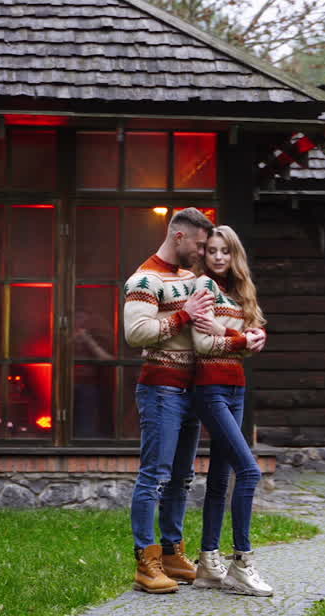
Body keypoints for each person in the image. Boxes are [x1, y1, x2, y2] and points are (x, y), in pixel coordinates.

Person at [122, 207, 218, 594]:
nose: (202, 251)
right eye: (198, 244)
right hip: (161, 389)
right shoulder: (143, 279)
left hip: (191, 390)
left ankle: (173, 553)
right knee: (155, 476)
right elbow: (136, 332)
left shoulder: (191, 278)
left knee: (182, 477)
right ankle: (147, 563)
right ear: (178, 236)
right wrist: (184, 316)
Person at [189, 225, 272, 597]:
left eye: (225, 251)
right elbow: (205, 344)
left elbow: (251, 337)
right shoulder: (203, 288)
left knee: (221, 478)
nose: (218, 257)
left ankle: (208, 561)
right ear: (203, 255)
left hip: (237, 387)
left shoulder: (242, 292)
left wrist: (252, 338)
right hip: (209, 388)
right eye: (212, 251)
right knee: (250, 472)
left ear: (234, 254)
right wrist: (239, 339)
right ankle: (241, 562)